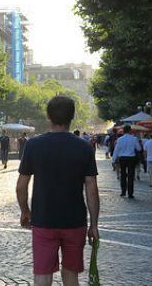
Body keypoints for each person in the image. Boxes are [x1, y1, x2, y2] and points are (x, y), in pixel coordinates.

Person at [16, 96, 99, 286]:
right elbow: (92, 189)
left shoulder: (34, 145)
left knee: (42, 276)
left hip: (44, 220)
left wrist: (25, 211)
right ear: (72, 117)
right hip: (74, 221)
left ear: (48, 116)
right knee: (71, 275)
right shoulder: (84, 147)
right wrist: (93, 224)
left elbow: (21, 186)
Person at [112, 125, 142, 199]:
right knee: (131, 176)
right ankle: (130, 193)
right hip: (131, 158)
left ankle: (123, 191)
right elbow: (139, 149)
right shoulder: (134, 139)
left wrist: (113, 160)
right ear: (130, 130)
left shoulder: (119, 139)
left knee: (123, 174)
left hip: (122, 158)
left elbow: (116, 150)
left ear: (123, 131)